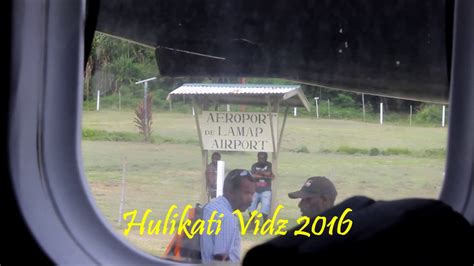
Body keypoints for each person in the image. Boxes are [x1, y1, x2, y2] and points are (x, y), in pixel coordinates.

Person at [200, 169, 256, 262]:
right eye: (246, 193)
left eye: (252, 194)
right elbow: (221, 260)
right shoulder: (227, 218)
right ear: (231, 192)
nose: (251, 199)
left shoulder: (210, 207)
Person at [248, 152, 274, 221]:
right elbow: (252, 176)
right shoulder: (254, 165)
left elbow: (269, 174)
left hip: (266, 190)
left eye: (263, 158)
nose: (261, 160)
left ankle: (265, 223)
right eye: (259, 158)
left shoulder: (269, 165)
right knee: (251, 206)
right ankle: (252, 222)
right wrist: (264, 175)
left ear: (266, 158)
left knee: (265, 206)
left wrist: (258, 173)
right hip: (255, 190)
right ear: (257, 158)